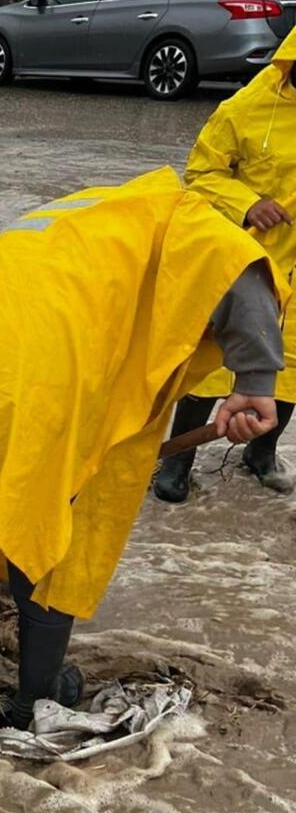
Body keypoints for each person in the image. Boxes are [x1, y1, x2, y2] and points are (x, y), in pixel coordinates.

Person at [0, 169, 286, 730]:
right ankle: (37, 701)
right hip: (42, 386)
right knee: (46, 546)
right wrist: (256, 382)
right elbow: (241, 266)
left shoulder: (95, 211)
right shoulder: (185, 216)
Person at [155, 27, 296, 502]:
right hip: (248, 263)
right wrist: (248, 203)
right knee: (214, 365)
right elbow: (201, 174)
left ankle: (261, 453)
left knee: (290, 368)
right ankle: (177, 462)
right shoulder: (245, 109)